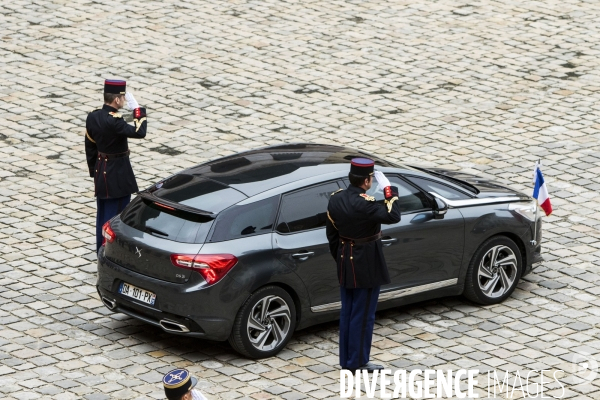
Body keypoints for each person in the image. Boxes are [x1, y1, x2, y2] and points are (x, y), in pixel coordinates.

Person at [326, 158, 401, 372]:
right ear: (367, 181)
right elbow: (393, 215)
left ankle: (347, 360)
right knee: (364, 314)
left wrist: (340, 258)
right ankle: (358, 362)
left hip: (344, 260)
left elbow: (331, 235)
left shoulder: (335, 199)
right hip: (366, 263)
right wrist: (388, 189)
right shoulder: (365, 204)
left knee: (348, 312)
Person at [85, 79, 147, 253]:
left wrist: (94, 172)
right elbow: (140, 132)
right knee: (116, 217)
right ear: (117, 100)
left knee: (102, 215)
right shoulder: (115, 122)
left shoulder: (93, 116)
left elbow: (90, 146)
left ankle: (100, 249)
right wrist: (137, 109)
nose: (124, 101)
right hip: (118, 175)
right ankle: (109, 253)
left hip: (101, 172)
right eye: (123, 98)